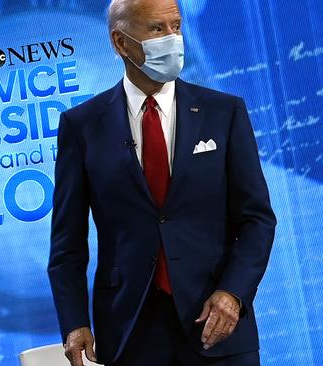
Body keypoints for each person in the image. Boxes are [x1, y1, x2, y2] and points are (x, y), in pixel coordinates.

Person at [47, 0, 277, 365]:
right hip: (130, 329)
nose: (173, 38)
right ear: (120, 43)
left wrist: (233, 293)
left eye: (176, 26)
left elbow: (257, 219)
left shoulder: (224, 112)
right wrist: (74, 322)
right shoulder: (82, 126)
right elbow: (67, 243)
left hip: (217, 322)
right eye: (157, 29)